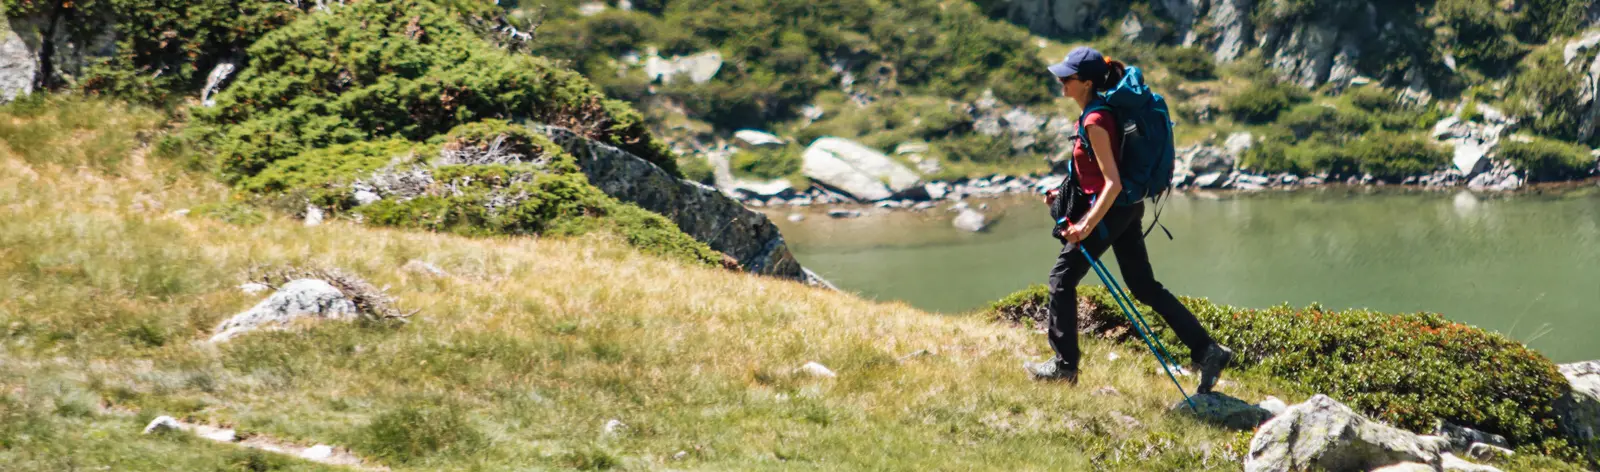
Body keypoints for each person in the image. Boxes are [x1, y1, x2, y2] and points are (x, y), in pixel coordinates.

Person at [1025, 46, 1233, 393]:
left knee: (1061, 279)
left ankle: (1064, 367)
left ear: (1087, 82)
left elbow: (1112, 182)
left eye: (1068, 77)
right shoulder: (1098, 113)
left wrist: (1084, 226)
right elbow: (1097, 175)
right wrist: (1062, 196)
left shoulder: (1095, 120)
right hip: (1125, 207)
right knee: (1142, 286)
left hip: (1112, 210)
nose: (1061, 81)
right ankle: (1207, 350)